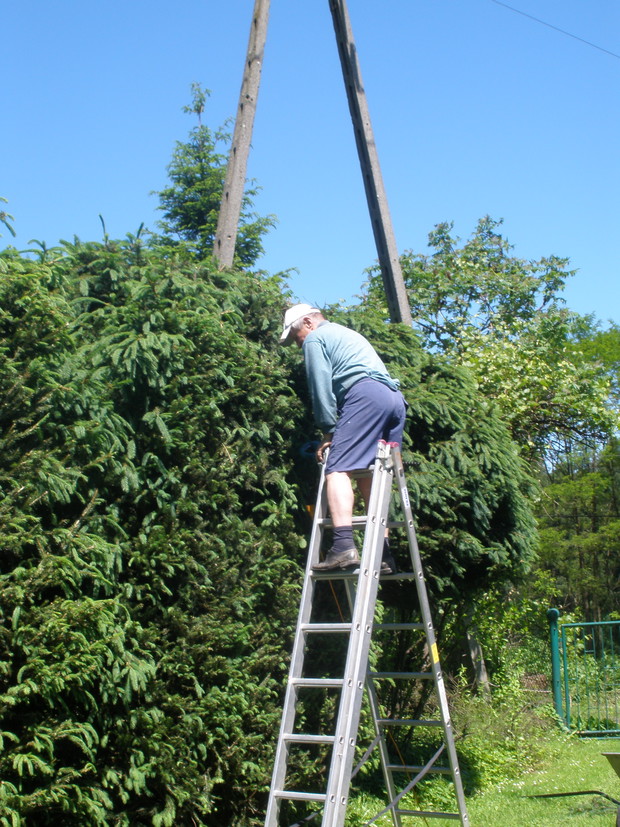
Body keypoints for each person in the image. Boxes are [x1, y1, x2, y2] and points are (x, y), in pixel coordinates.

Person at [280, 304, 407, 573]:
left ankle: (342, 547)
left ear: (308, 323)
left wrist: (328, 431)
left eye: (295, 337)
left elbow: (320, 385)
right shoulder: (346, 333)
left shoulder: (315, 338)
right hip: (393, 399)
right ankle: (383, 555)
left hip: (366, 396)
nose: (297, 344)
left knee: (337, 468)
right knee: (370, 475)